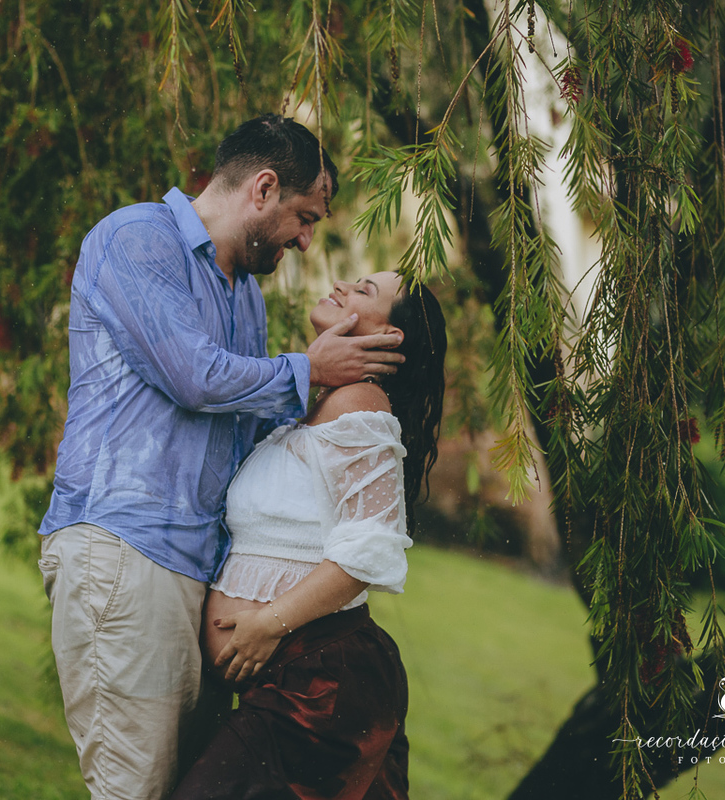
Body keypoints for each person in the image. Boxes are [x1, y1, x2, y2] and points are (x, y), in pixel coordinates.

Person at [36, 114, 405, 800]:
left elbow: (243, 438)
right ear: (263, 189)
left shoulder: (245, 299)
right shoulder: (138, 238)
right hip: (126, 552)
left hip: (193, 574)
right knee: (135, 789)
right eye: (305, 218)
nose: (306, 240)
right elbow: (194, 376)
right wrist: (310, 371)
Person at [172, 271, 448, 800]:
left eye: (364, 291)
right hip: (288, 681)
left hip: (317, 683)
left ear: (388, 336)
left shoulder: (359, 404)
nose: (342, 286)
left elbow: (369, 550)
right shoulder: (318, 405)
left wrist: (266, 625)